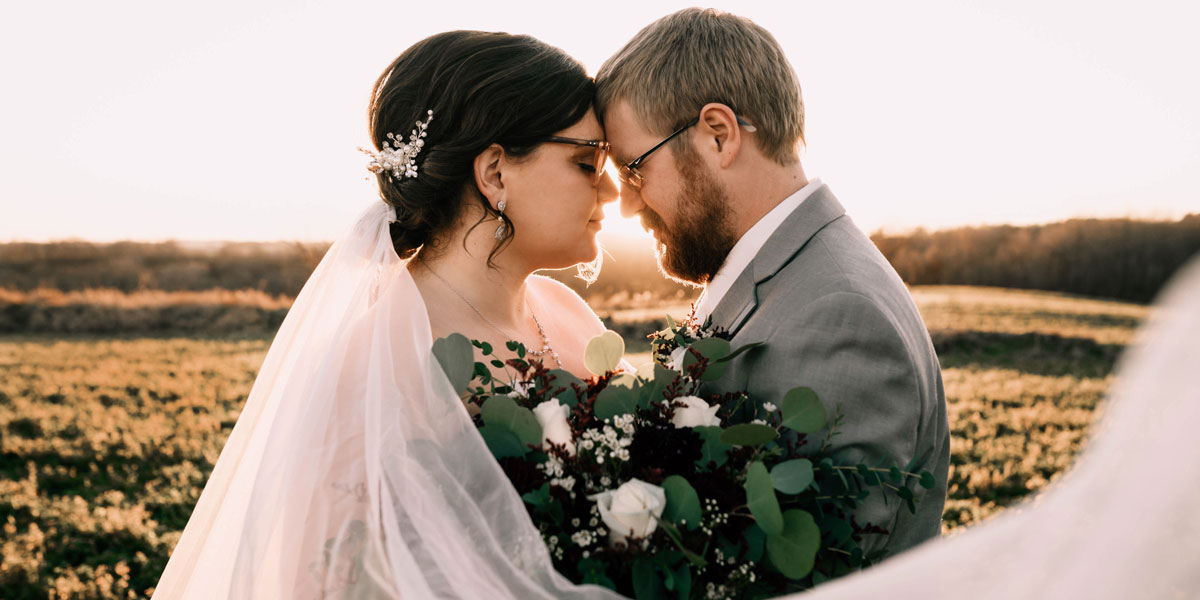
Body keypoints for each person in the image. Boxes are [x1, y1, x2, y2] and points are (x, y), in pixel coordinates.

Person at [152, 31, 624, 598]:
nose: (613, 191)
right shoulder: (375, 359)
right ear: (495, 172)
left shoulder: (569, 313)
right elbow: (332, 576)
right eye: (586, 161)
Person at [595, 8, 950, 559]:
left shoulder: (841, 317)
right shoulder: (780, 272)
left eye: (634, 169)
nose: (627, 203)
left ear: (718, 135)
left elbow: (815, 572)